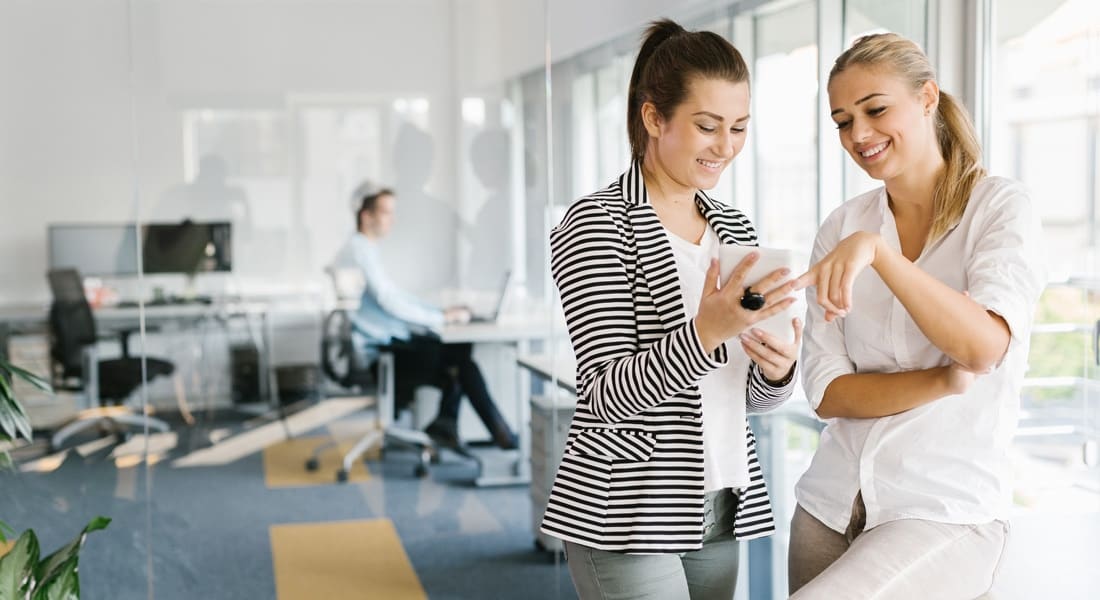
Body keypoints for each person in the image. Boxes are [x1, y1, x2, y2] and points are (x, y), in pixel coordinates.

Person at [539, 19, 802, 599]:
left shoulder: (734, 228)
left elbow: (744, 394)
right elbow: (605, 395)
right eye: (707, 127)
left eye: (738, 128)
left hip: (719, 498)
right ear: (654, 118)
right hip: (629, 509)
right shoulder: (596, 223)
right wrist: (707, 331)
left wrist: (777, 369)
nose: (726, 146)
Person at [788, 33, 1046, 598]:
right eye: (841, 120)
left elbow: (983, 346)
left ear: (927, 97)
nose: (858, 134)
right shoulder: (840, 225)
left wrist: (879, 254)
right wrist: (939, 380)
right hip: (828, 505)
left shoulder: (999, 208)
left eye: (876, 109)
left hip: (942, 508)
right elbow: (827, 392)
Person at [331, 183, 518, 450]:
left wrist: (440, 313)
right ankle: (491, 432)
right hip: (381, 352)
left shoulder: (365, 249)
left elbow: (397, 297)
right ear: (366, 215)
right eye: (387, 212)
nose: (393, 220)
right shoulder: (359, 251)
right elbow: (389, 302)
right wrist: (441, 319)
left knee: (460, 355)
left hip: (387, 344)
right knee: (461, 361)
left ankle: (451, 424)